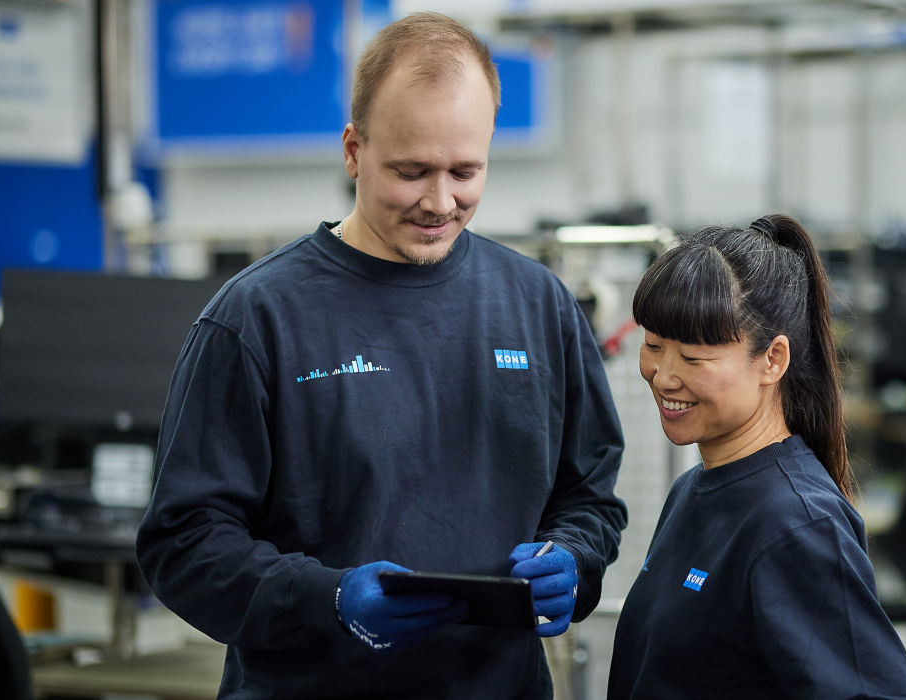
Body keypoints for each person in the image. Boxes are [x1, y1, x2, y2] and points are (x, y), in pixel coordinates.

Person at [136, 12, 627, 699]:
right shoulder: (256, 319)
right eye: (411, 171)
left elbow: (590, 496)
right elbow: (183, 544)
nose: (439, 201)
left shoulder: (538, 306)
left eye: (465, 171)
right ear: (352, 151)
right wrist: (326, 599)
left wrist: (574, 558)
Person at [607, 214, 906, 699]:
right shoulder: (693, 490)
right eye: (653, 346)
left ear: (772, 360)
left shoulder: (797, 524)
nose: (663, 376)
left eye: (693, 358)